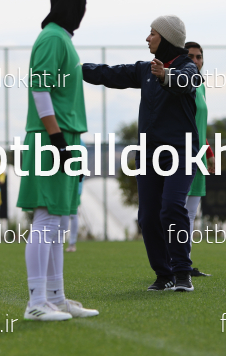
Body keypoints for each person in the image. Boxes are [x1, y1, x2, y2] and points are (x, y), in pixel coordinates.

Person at [82, 15, 202, 292]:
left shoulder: (187, 67)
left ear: (167, 38)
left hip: (180, 153)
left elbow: (187, 81)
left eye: (153, 33)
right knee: (148, 217)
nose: (147, 38)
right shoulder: (145, 69)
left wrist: (166, 76)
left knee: (171, 208)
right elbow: (108, 73)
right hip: (148, 156)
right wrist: (75, 69)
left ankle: (182, 272)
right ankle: (164, 274)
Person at [17, 0, 98, 321]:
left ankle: (56, 298)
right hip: (51, 139)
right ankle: (36, 303)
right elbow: (40, 88)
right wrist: (58, 141)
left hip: (62, 137)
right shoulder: (52, 38)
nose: (84, 9)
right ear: (70, 3)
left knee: (58, 220)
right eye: (82, 1)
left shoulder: (62, 38)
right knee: (47, 218)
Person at [184, 42, 214, 277]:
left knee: (190, 215)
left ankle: (184, 263)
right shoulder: (180, 86)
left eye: (199, 57)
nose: (196, 61)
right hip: (180, 157)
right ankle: (171, 264)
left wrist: (209, 154)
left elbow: (199, 127)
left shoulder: (201, 86)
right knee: (176, 213)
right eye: (191, 57)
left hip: (199, 158)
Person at [66, 139, 86, 252]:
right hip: (62, 185)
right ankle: (57, 242)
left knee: (73, 214)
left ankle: (72, 243)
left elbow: (82, 167)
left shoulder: (80, 143)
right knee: (60, 215)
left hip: (75, 186)